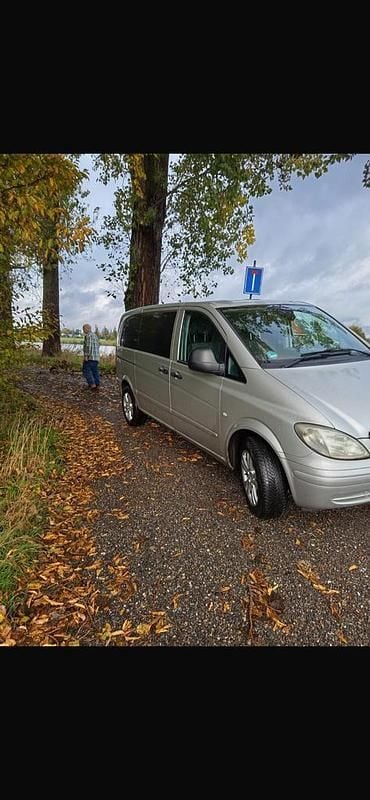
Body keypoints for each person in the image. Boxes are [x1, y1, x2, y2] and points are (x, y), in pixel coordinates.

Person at [82, 323, 100, 390]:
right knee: (95, 371)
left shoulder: (88, 336)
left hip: (90, 357)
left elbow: (88, 346)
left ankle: (92, 384)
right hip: (96, 357)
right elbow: (98, 345)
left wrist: (86, 355)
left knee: (86, 371)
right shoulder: (95, 336)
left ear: (87, 329)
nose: (83, 331)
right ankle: (97, 383)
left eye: (84, 329)